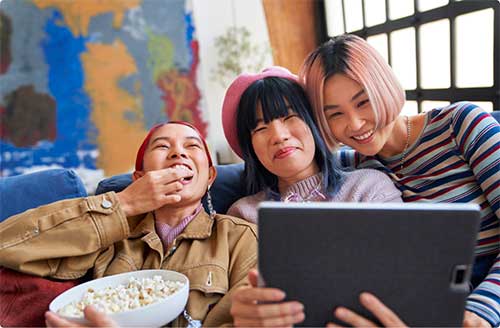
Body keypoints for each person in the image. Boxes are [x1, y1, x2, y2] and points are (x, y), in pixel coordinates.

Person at [299, 33, 500, 328]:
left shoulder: (461, 125)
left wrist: (483, 308)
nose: (354, 124)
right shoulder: (350, 166)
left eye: (363, 102)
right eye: (335, 114)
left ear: (384, 87)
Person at [0, 121, 257, 327]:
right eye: (162, 146)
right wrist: (124, 204)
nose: (178, 153)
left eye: (192, 146)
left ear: (210, 177)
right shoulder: (109, 238)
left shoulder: (240, 238)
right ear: (140, 178)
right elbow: (7, 245)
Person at [220, 66, 403, 326]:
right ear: (250, 147)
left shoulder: (368, 188)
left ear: (314, 123)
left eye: (290, 116)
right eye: (260, 128)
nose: (279, 136)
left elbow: (402, 277)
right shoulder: (243, 214)